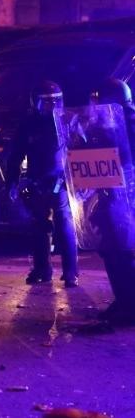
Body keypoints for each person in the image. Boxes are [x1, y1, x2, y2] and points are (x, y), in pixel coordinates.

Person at [7, 81, 78, 288]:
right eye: (46, 102)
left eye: (54, 102)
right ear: (35, 102)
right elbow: (16, 155)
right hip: (37, 181)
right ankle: (42, 269)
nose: (51, 106)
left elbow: (81, 148)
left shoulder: (68, 121)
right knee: (39, 226)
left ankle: (70, 272)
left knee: (64, 225)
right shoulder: (28, 123)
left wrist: (75, 179)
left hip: (61, 181)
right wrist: (12, 181)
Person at [91, 79, 135, 324]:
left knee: (117, 250)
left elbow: (121, 160)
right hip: (121, 195)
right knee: (119, 249)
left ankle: (128, 305)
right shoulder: (126, 119)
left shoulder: (121, 123)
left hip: (122, 196)